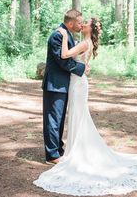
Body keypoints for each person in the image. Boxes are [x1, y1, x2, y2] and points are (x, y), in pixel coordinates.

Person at [35, 17, 137, 195]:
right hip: (74, 83)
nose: (81, 25)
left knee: (78, 117)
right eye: (80, 22)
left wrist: (65, 37)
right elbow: (69, 59)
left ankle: (76, 150)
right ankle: (70, 149)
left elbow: (64, 55)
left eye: (84, 23)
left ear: (89, 28)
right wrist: (80, 63)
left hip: (77, 84)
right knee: (76, 116)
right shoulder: (81, 40)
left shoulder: (80, 41)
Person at [42, 9, 88, 164]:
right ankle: (52, 155)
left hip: (63, 84)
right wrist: (81, 69)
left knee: (59, 119)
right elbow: (63, 61)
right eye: (79, 22)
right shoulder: (58, 35)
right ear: (70, 23)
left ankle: (59, 150)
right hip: (54, 84)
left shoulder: (67, 34)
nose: (81, 25)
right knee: (53, 120)